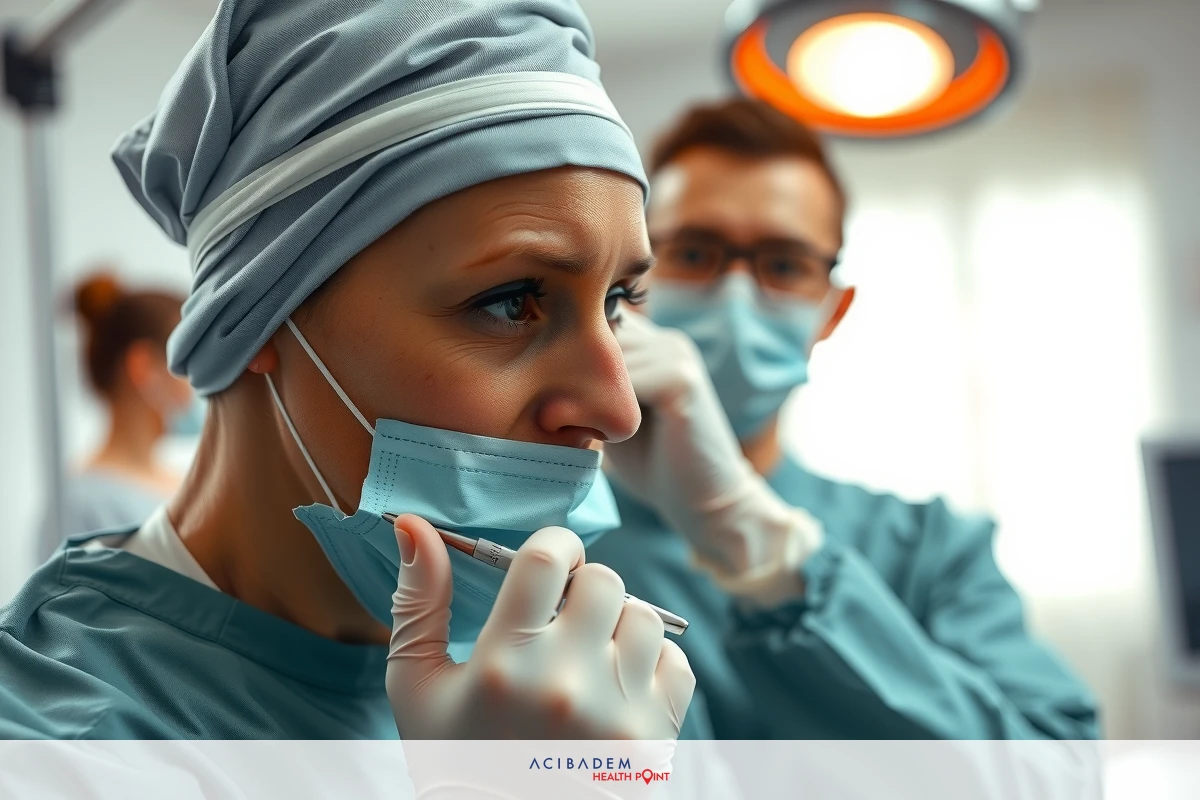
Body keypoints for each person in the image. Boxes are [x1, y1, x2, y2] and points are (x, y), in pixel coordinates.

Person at [0, 0, 695, 745]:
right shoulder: (57, 739)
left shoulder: (573, 684)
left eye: (619, 301)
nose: (620, 409)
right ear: (262, 313)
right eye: (509, 303)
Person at [592, 98, 1100, 740]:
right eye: (694, 253)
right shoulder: (541, 535)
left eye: (783, 265)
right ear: (627, 279)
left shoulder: (929, 550)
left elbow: (1057, 770)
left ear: (832, 311)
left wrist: (762, 547)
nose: (737, 297)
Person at [36, 273, 201, 562]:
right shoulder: (80, 506)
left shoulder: (189, 487)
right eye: (190, 361)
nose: (200, 381)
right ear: (145, 368)